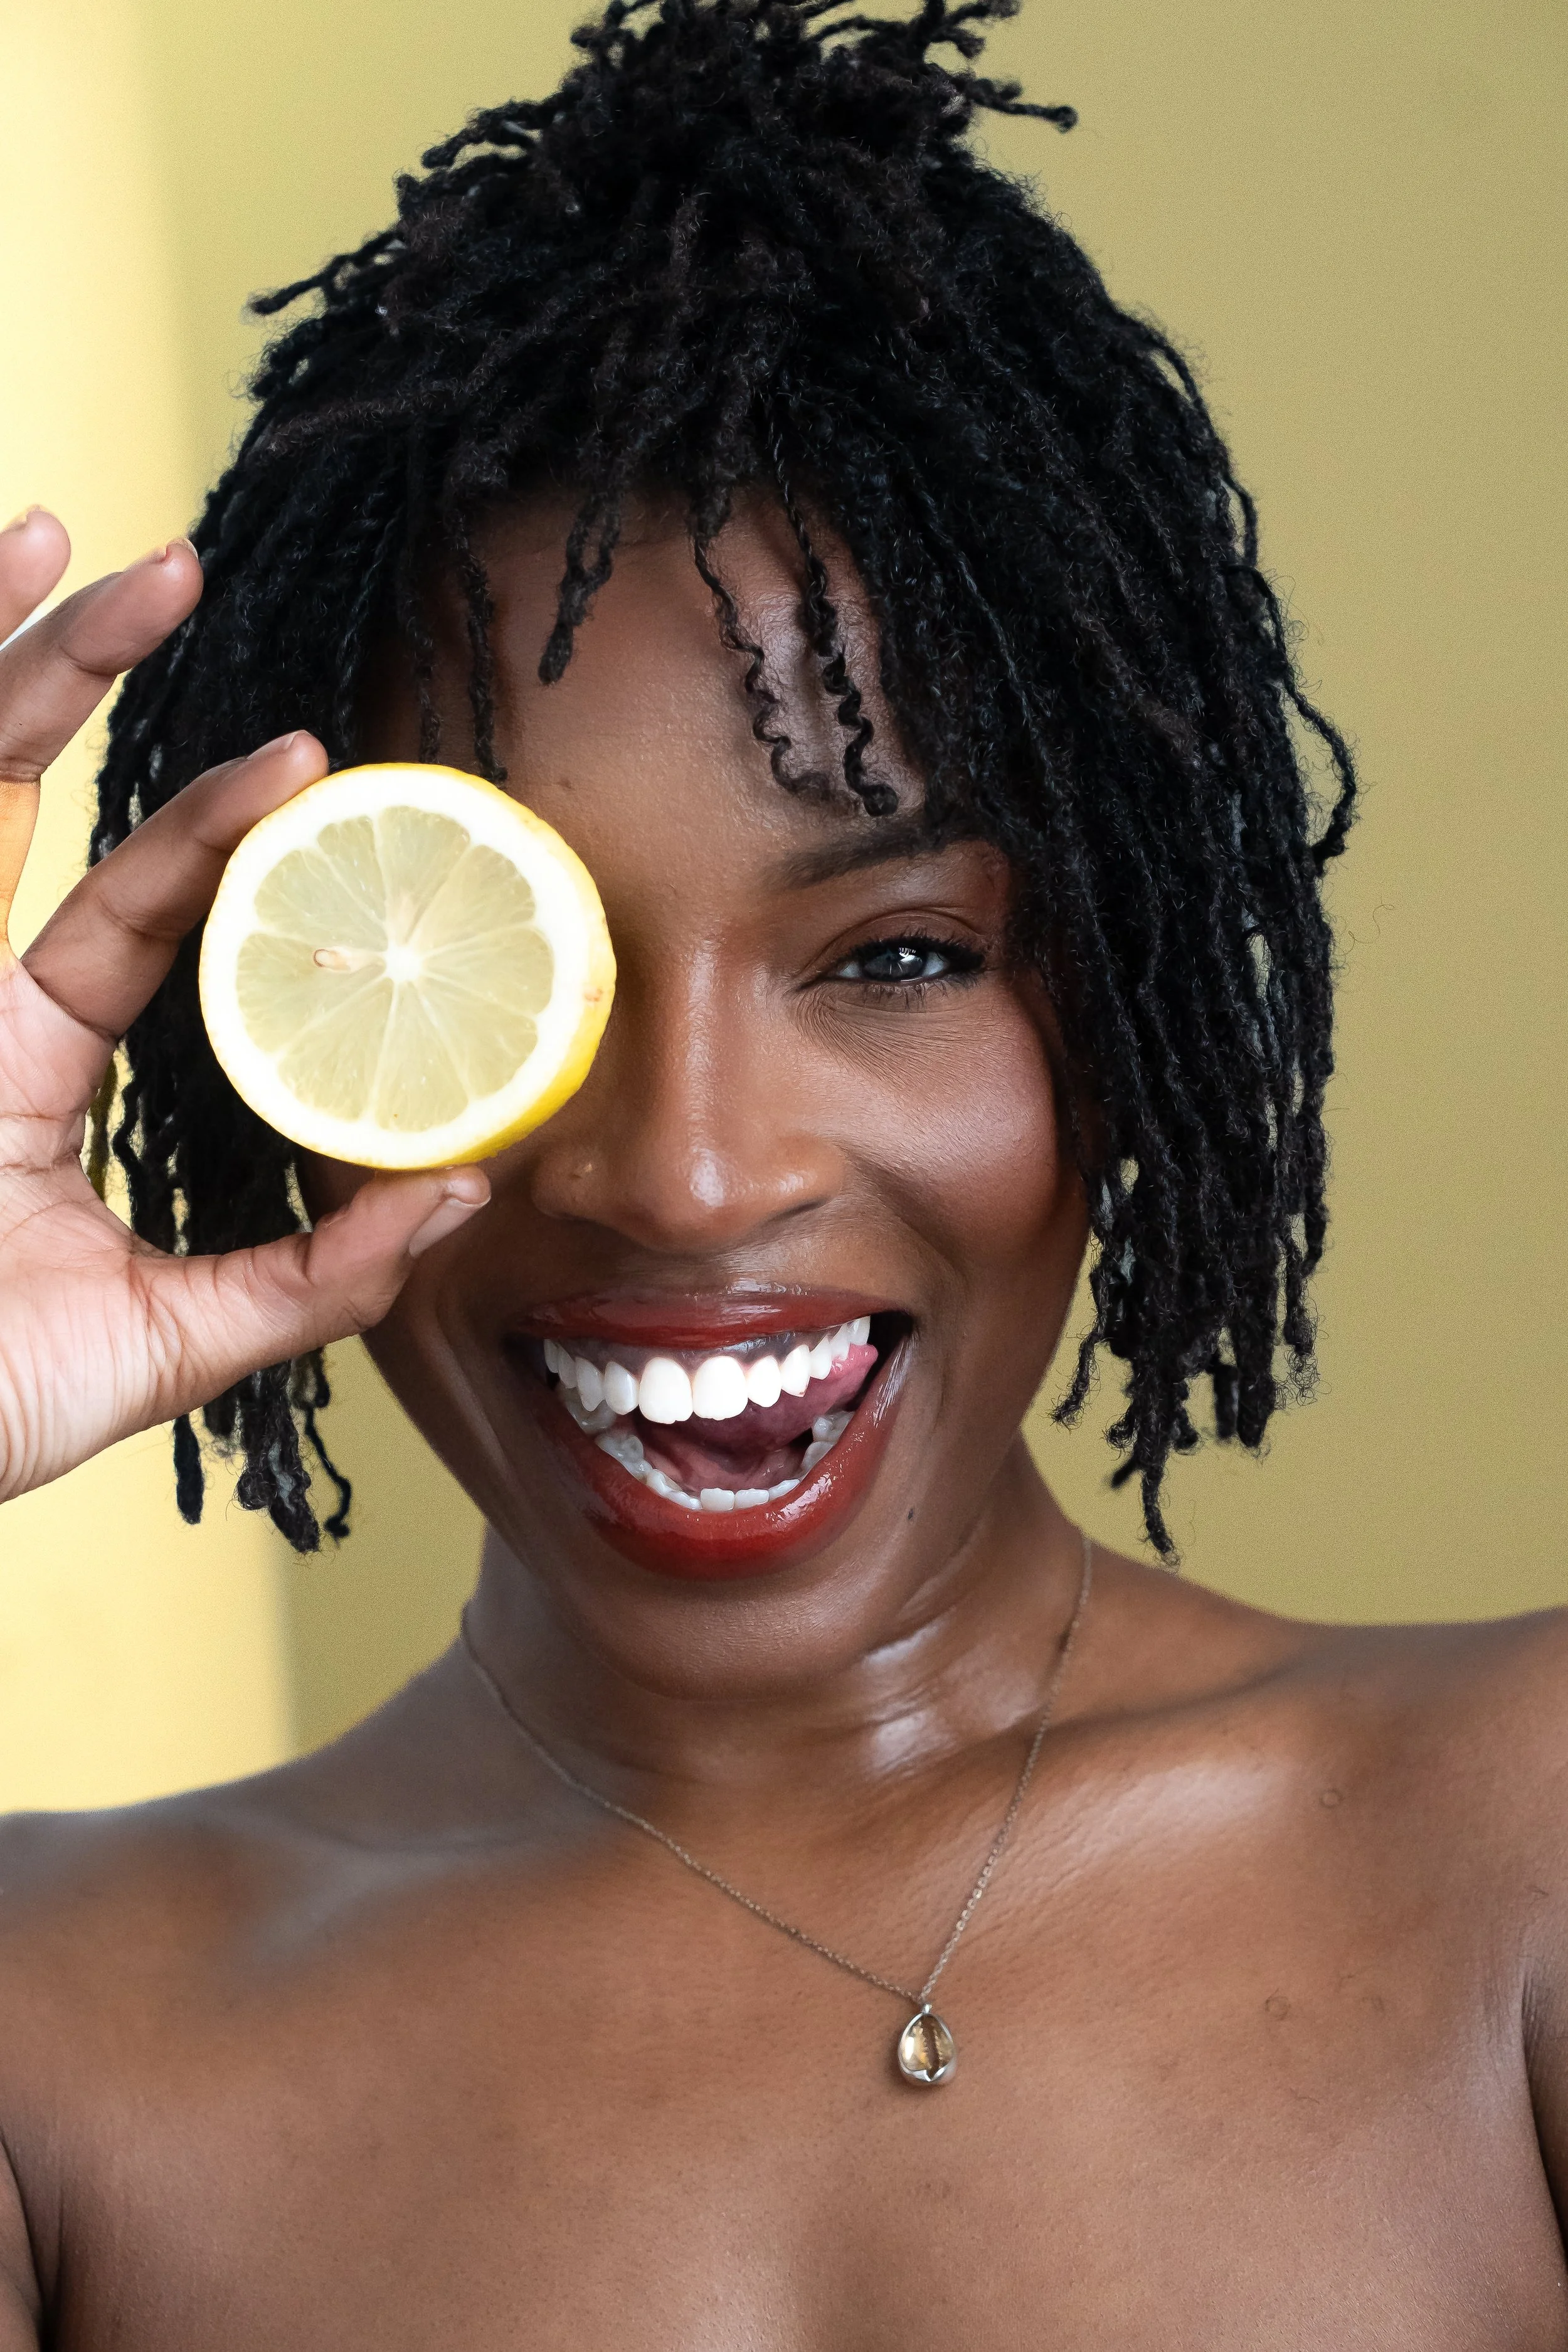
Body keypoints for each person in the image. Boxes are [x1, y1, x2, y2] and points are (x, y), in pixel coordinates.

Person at [1, 1, 1564, 2341]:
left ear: (1127, 1012)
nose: (687, 1172)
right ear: (287, 1032)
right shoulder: (50, 2045)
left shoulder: (1528, 1850)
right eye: (534, 974)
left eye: (899, 953)